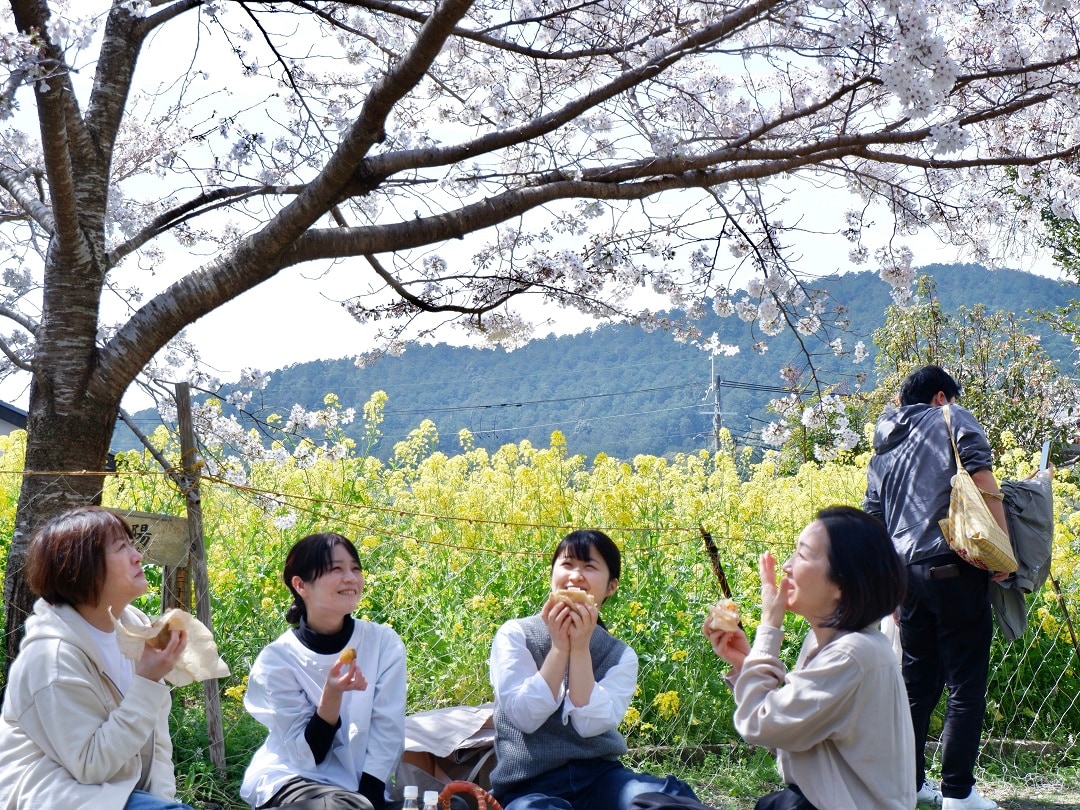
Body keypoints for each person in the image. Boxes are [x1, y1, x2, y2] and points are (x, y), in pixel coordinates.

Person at [863, 364, 1008, 810]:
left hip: (906, 576)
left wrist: (888, 585)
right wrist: (1001, 554)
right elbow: (983, 482)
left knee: (916, 684)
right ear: (941, 397)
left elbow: (873, 519)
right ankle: (958, 795)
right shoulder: (950, 418)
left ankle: (910, 785)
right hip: (955, 564)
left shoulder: (882, 448)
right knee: (965, 682)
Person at [703, 506, 913, 810]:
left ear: (841, 583)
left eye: (802, 555)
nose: (787, 566)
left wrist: (769, 628)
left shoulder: (851, 655)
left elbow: (759, 726)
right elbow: (787, 731)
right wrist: (745, 662)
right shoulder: (829, 641)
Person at [488, 529, 705, 810]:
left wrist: (579, 649)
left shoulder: (620, 655)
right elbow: (525, 717)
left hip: (602, 779)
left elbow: (589, 725)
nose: (576, 576)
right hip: (529, 784)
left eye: (589, 567)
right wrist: (559, 648)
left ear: (611, 586)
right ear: (552, 575)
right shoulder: (516, 635)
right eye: (567, 565)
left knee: (665, 798)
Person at [0, 505, 194, 810]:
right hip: (57, 796)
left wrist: (165, 800)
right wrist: (147, 680)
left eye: (132, 545)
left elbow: (157, 745)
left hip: (118, 793)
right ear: (82, 568)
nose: (138, 556)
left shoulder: (134, 627)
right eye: (121, 548)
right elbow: (91, 766)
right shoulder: (52, 658)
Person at [241, 532, 407, 810]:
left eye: (356, 568)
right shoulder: (277, 660)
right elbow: (308, 756)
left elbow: (387, 728)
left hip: (360, 789)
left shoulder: (383, 642)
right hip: (295, 781)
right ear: (301, 585)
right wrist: (331, 694)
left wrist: (370, 796)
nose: (351, 578)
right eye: (336, 569)